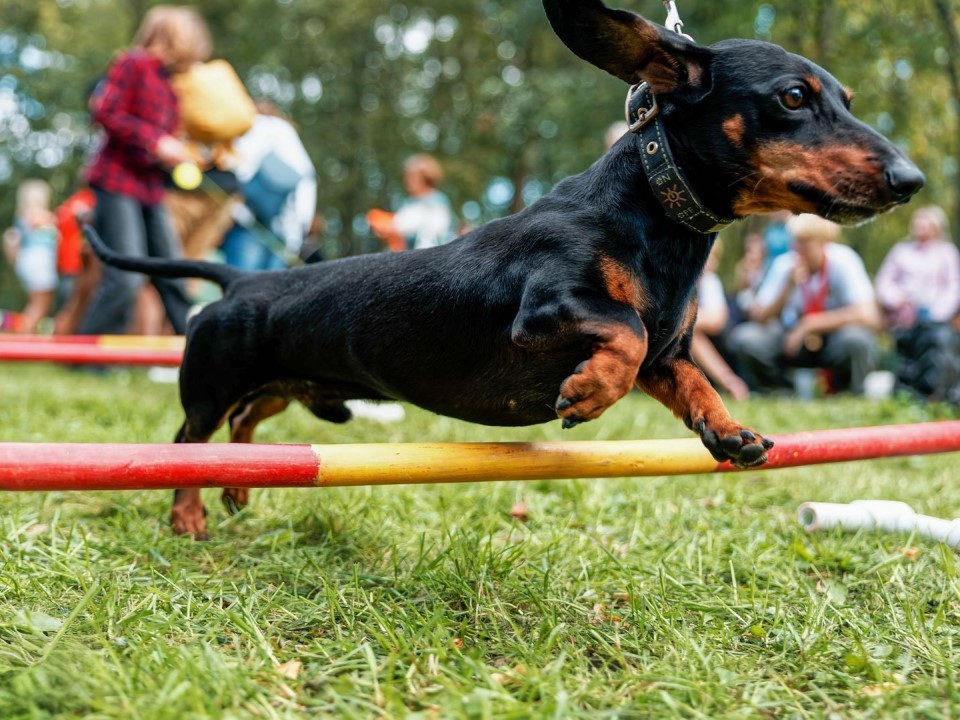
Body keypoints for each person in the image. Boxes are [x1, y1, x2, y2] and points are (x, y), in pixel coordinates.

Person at [78, 5, 211, 337]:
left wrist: (175, 153)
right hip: (117, 182)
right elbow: (105, 112)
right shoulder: (133, 63)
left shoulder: (170, 87)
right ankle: (85, 357)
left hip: (151, 188)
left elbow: (162, 138)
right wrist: (156, 142)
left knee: (172, 273)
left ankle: (194, 349)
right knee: (126, 275)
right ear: (175, 36)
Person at [728, 214, 880, 395]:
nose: (797, 249)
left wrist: (810, 325)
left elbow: (867, 314)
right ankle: (779, 391)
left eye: (805, 243)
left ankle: (848, 392)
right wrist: (787, 286)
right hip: (790, 339)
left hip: (833, 339)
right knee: (747, 338)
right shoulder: (785, 264)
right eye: (795, 242)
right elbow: (759, 316)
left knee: (856, 339)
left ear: (824, 242)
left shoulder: (844, 260)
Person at [875, 205, 960, 397]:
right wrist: (896, 299)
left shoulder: (946, 252)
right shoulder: (901, 251)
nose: (920, 226)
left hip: (936, 320)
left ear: (937, 227)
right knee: (904, 355)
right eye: (918, 221)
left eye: (926, 222)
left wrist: (937, 313)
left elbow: (953, 287)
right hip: (905, 318)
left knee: (935, 352)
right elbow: (884, 282)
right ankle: (904, 392)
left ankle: (934, 392)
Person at [221, 101, 317, 271]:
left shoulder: (253, 126)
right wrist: (301, 228)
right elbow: (307, 179)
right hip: (287, 228)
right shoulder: (287, 133)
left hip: (249, 223)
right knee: (273, 291)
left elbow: (238, 166)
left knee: (242, 285)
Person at [692, 240, 750, 400]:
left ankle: (729, 381)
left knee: (690, 333)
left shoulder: (710, 282)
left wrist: (682, 320)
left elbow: (716, 321)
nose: (710, 261)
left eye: (714, 257)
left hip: (719, 343)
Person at [2, 179, 59, 333]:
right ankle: (25, 337)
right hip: (38, 261)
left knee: (39, 304)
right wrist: (56, 220)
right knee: (39, 304)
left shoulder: (21, 216)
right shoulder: (34, 213)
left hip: (32, 261)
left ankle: (27, 335)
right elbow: (42, 223)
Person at [367, 154, 456, 251]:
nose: (408, 180)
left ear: (425, 176)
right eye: (407, 176)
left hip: (432, 256)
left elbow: (437, 231)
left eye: (412, 176)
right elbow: (398, 231)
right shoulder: (407, 203)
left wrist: (395, 227)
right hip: (409, 257)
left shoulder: (437, 201)